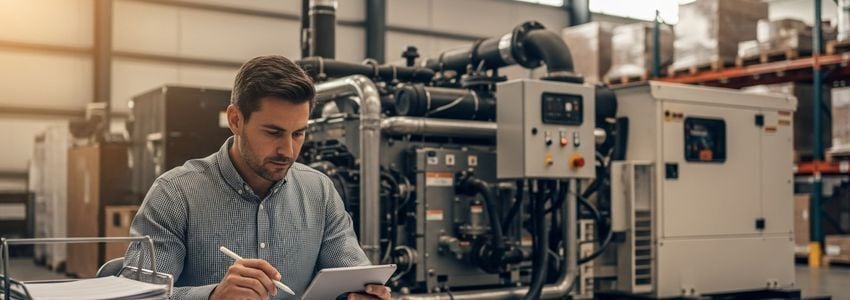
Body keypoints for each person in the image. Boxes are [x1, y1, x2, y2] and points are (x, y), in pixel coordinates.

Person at [124, 55, 391, 300]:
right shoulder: (175, 194)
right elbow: (136, 296)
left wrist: (365, 294)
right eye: (273, 132)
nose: (287, 151)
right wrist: (212, 296)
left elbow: (354, 278)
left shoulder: (319, 192)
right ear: (235, 120)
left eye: (298, 133)